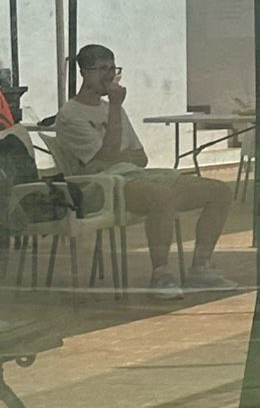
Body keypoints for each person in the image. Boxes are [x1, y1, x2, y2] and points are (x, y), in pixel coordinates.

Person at [49, 44, 234, 297]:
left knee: (218, 191)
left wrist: (115, 151)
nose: (109, 75)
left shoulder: (113, 109)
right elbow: (103, 160)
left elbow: (140, 157)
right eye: (102, 69)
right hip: (97, 186)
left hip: (133, 176)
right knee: (160, 196)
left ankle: (200, 268)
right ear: (84, 72)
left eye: (113, 69)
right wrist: (115, 109)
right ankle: (161, 275)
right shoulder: (71, 114)